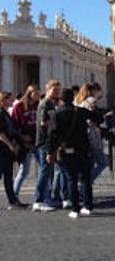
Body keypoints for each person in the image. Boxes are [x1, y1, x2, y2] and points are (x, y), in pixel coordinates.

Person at [47, 88, 100, 218]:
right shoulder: (81, 111)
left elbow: (52, 135)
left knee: (71, 179)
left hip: (67, 150)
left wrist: (50, 152)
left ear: (61, 99)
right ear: (73, 98)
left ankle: (75, 208)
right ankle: (88, 206)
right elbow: (98, 118)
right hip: (83, 149)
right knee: (86, 179)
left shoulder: (56, 114)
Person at [32, 80, 62, 211]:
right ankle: (38, 200)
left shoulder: (51, 103)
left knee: (48, 171)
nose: (56, 92)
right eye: (54, 90)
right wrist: (55, 124)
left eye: (58, 90)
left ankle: (47, 198)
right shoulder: (46, 104)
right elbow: (43, 122)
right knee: (45, 171)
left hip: (48, 141)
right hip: (45, 141)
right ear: (47, 89)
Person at [11, 85, 40, 202]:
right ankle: (14, 196)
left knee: (44, 169)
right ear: (29, 93)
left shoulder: (39, 105)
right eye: (35, 93)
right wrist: (21, 137)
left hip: (38, 141)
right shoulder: (19, 106)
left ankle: (41, 196)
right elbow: (13, 125)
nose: (38, 95)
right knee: (24, 171)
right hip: (25, 142)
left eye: (38, 93)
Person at [0, 91, 28, 209]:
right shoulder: (1, 113)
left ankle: (13, 200)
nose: (12, 101)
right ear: (3, 100)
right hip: (2, 150)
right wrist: (11, 145)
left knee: (8, 176)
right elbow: (1, 133)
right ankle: (13, 201)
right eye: (9, 99)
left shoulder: (6, 113)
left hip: (7, 150)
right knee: (6, 176)